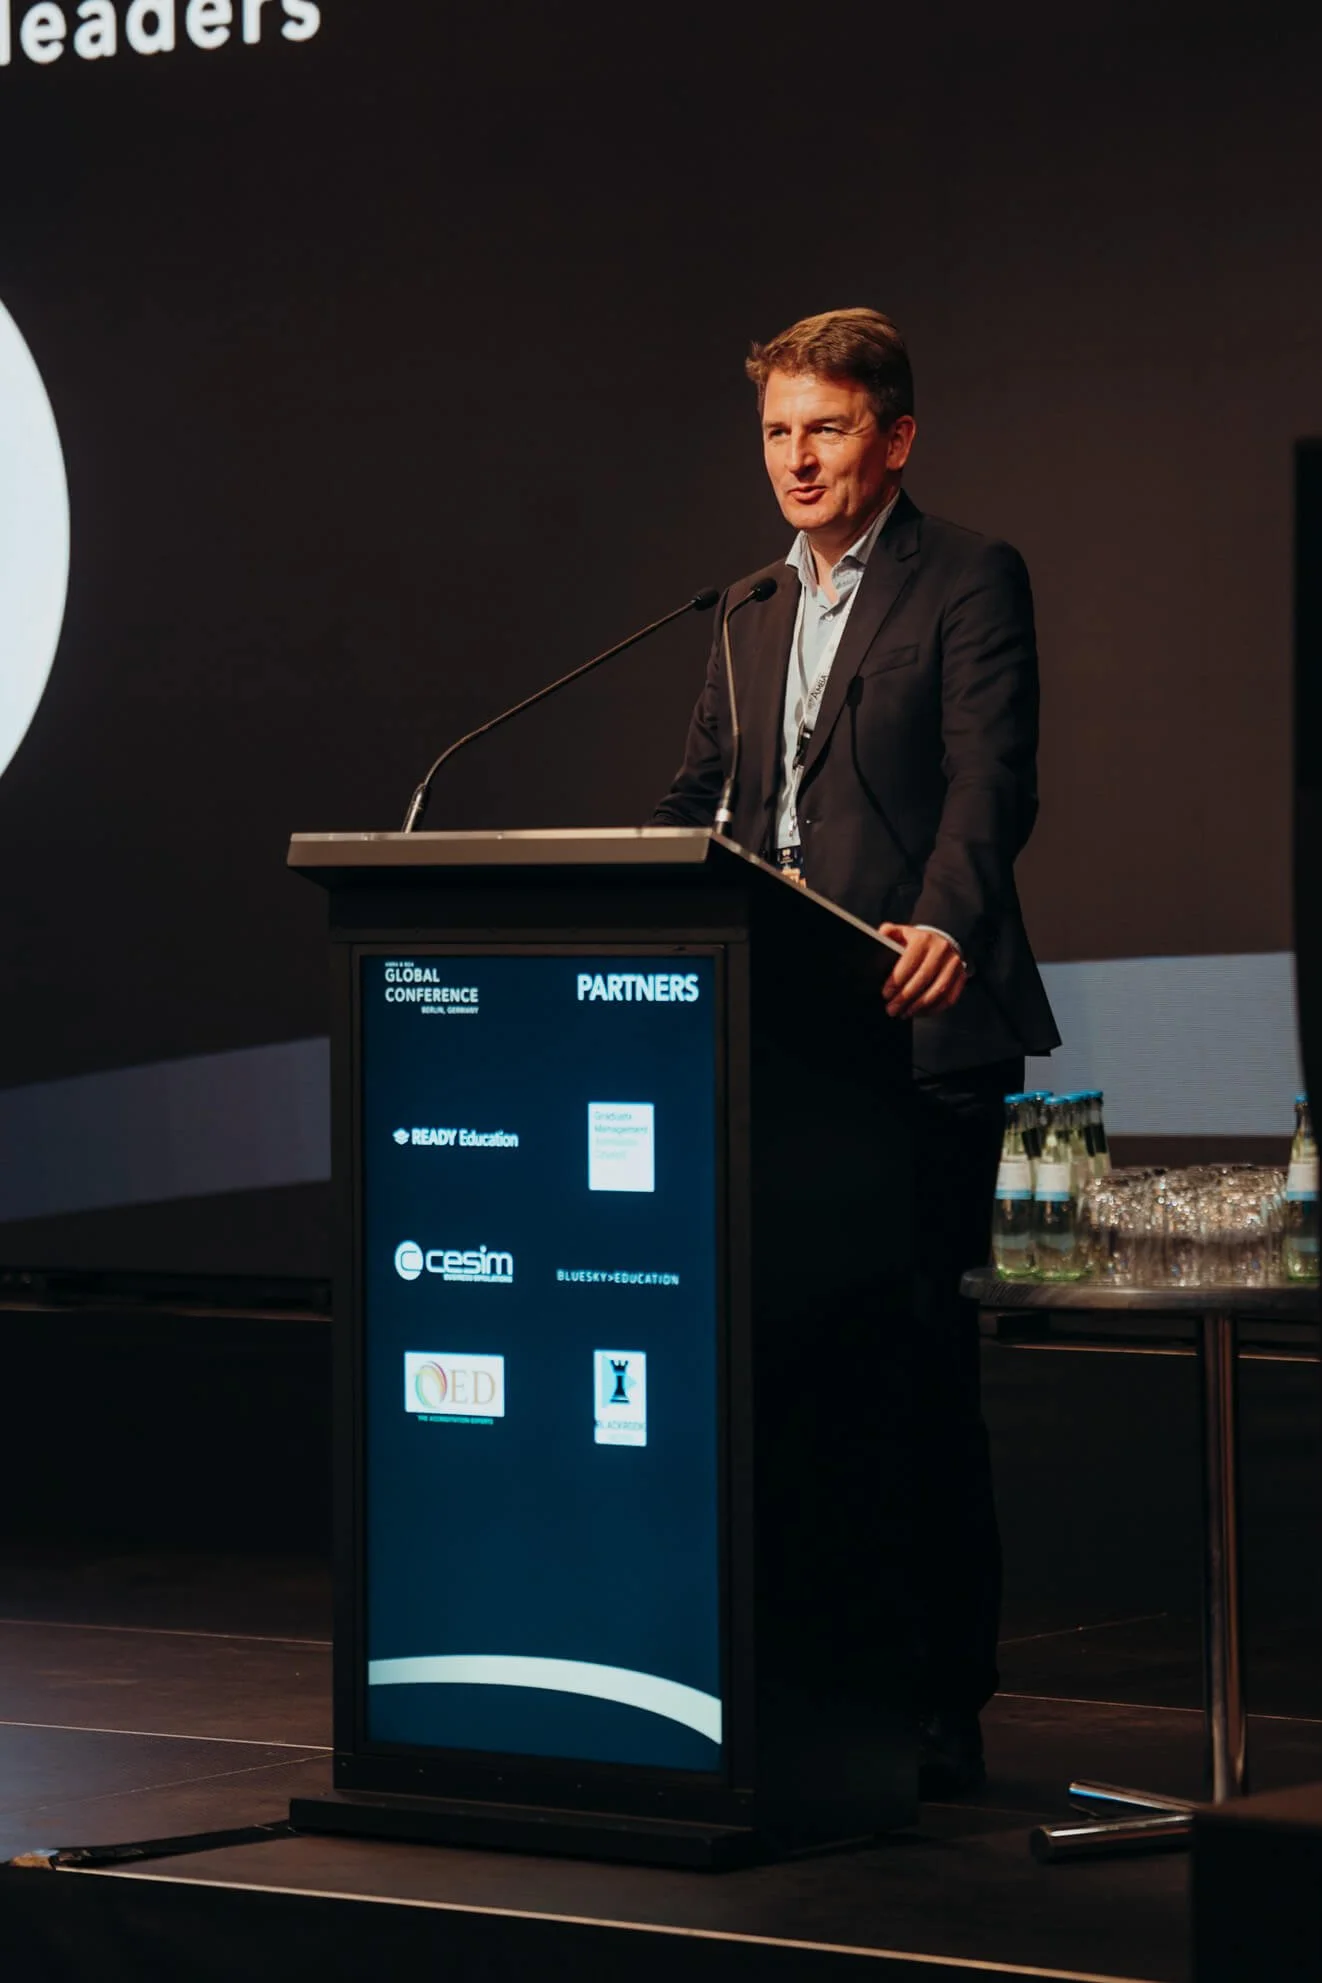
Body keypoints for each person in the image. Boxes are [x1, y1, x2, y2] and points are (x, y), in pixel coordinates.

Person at [653, 307, 1060, 1794]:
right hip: (766, 1048)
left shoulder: (966, 577)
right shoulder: (748, 607)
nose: (796, 457)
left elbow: (988, 778)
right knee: (780, 1376)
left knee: (909, 1378)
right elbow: (703, 797)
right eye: (776, 431)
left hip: (911, 1035)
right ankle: (799, 1679)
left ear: (893, 434)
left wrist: (943, 919)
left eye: (825, 427)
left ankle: (940, 1699)